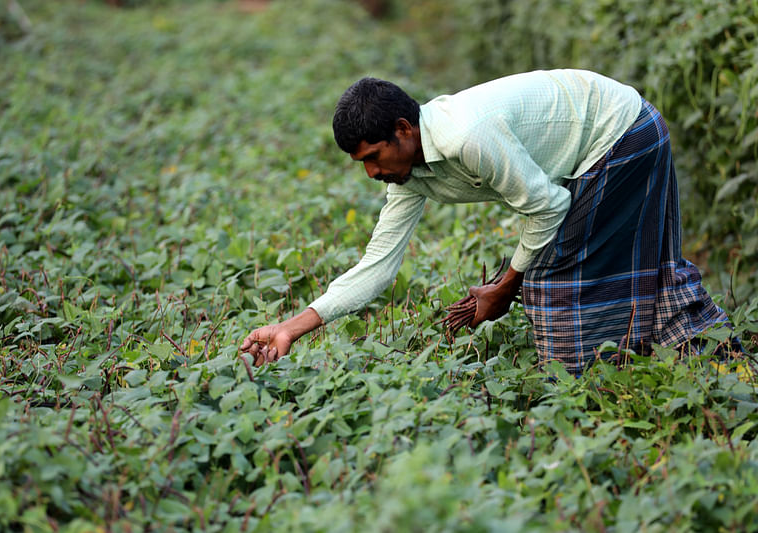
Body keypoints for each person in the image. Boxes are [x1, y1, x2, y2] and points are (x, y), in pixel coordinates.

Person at [239, 69, 733, 375]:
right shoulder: (408, 174)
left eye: (374, 156)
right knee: (602, 260)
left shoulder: (467, 136)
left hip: (621, 131)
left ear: (404, 130)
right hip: (586, 151)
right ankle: (697, 351)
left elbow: (545, 208)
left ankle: (607, 377)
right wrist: (290, 327)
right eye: (361, 164)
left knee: (551, 273)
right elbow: (377, 267)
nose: (371, 173)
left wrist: (505, 288)